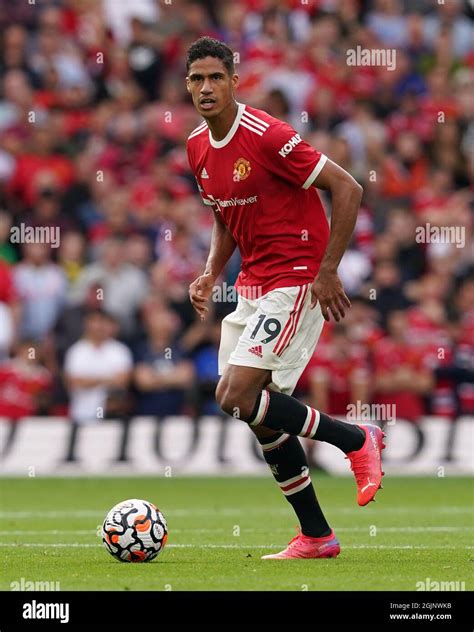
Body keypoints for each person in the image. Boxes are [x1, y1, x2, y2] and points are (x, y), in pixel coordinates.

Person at [186, 37, 385, 560]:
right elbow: (224, 213)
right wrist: (210, 272)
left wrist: (328, 270)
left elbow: (348, 188)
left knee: (235, 397)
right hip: (252, 283)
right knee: (257, 413)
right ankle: (317, 536)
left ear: (234, 80)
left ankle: (355, 440)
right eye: (196, 79)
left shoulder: (267, 134)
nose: (206, 88)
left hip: (296, 277)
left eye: (215, 78)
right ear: (187, 86)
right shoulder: (197, 147)